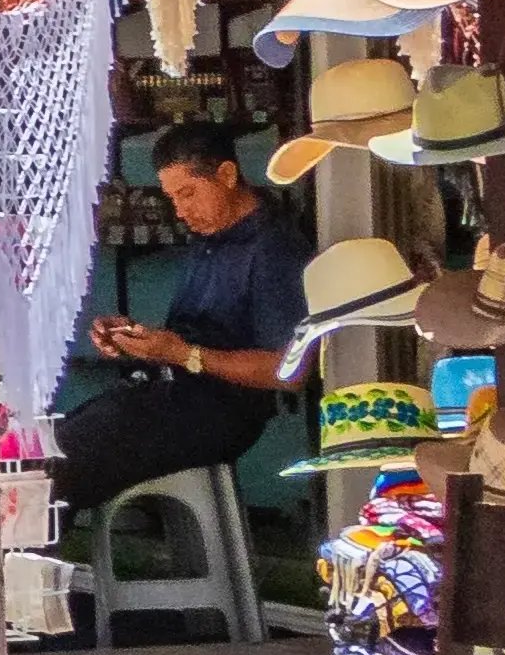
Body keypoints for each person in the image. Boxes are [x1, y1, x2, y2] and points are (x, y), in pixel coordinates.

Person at [57, 119, 313, 522]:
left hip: (217, 416)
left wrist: (182, 354)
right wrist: (134, 340)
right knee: (44, 447)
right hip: (169, 396)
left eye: (189, 193)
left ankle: (29, 569)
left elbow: (289, 371)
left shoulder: (273, 250)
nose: (182, 211)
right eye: (173, 198)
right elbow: (185, 341)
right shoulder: (210, 241)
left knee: (57, 471)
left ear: (227, 174)